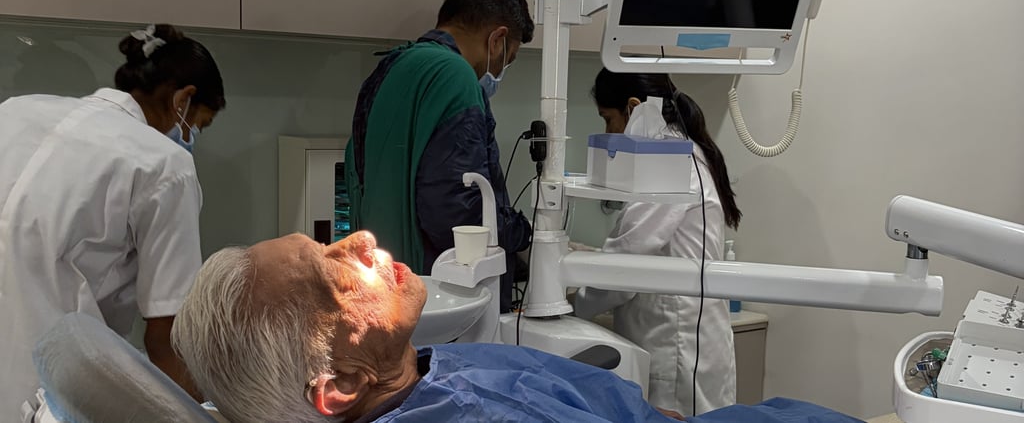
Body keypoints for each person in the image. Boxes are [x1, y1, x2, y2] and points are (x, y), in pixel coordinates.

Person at [170, 231, 862, 423]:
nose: (363, 240)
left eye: (328, 240)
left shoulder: (416, 372)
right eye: (335, 272)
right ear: (341, 384)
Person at [0, 23, 225, 416]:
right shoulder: (164, 165)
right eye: (199, 125)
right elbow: (168, 334)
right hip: (45, 394)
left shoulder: (15, 110)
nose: (192, 136)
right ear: (183, 100)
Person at [346, 0, 533, 313]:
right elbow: (457, 214)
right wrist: (522, 234)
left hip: (386, 289)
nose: (500, 69)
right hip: (440, 300)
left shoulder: (390, 67)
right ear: (497, 40)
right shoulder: (456, 77)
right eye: (508, 58)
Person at [576, 69, 744, 416]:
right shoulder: (683, 152)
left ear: (633, 107)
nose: (609, 132)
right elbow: (642, 248)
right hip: (681, 338)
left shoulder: (671, 163)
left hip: (676, 345)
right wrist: (588, 259)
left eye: (608, 119)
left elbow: (626, 264)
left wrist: (572, 299)